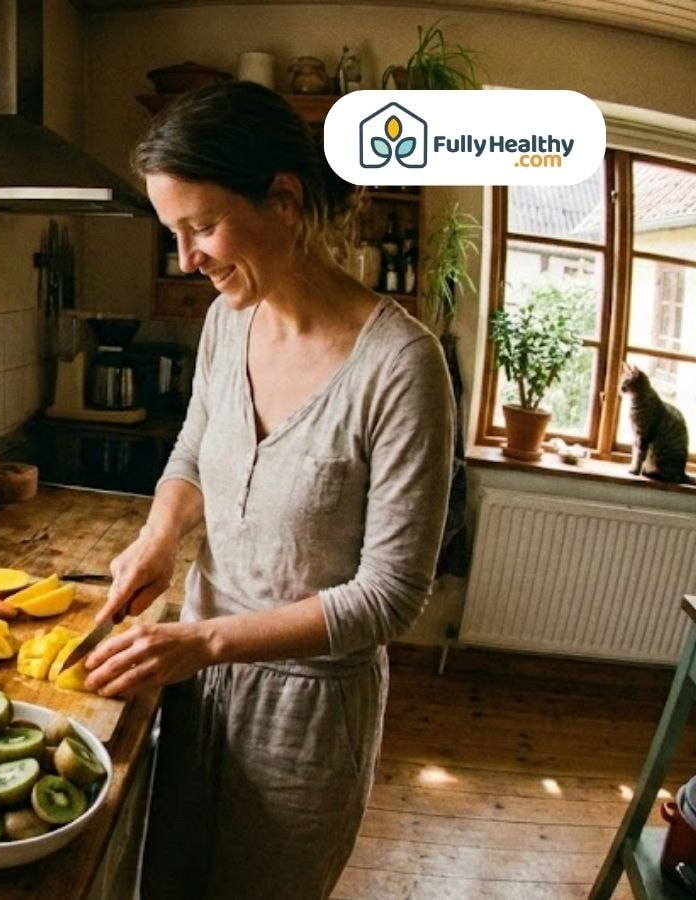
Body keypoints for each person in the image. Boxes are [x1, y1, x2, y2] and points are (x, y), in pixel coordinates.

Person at [82, 81, 455, 899]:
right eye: (174, 234)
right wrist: (158, 537)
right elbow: (191, 451)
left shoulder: (400, 366)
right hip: (190, 679)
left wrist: (208, 641)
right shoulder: (227, 319)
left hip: (305, 717)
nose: (187, 260)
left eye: (203, 227)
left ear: (283, 198)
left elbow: (390, 597)